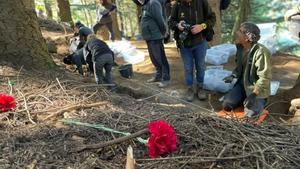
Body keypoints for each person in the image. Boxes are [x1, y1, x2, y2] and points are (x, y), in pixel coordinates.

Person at [222, 22, 272, 118]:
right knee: (227, 105)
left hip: (256, 89)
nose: (237, 33)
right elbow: (239, 68)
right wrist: (233, 76)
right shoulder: (240, 48)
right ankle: (245, 99)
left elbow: (265, 77)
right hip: (242, 85)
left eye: (240, 31)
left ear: (247, 37)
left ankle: (259, 101)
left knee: (250, 115)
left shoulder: (261, 52)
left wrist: (254, 94)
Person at [169, 0, 216, 101]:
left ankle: (200, 87)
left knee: (200, 66)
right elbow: (171, 21)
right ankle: (190, 88)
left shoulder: (202, 2)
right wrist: (178, 25)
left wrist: (202, 26)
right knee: (188, 67)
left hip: (200, 42)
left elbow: (212, 18)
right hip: (184, 44)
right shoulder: (178, 5)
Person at [135, 0, 171, 88]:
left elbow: (160, 19)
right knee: (154, 58)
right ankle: (158, 76)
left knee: (160, 58)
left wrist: (163, 33)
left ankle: (166, 78)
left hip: (155, 37)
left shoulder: (153, 3)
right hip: (149, 37)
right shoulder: (145, 5)